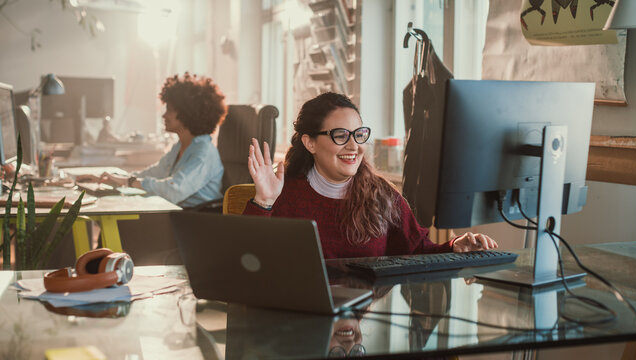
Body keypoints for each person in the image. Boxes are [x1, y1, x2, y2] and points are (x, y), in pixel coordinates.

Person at [244, 92, 498, 258]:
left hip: (366, 321)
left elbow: (418, 251)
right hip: (297, 322)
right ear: (310, 143)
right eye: (341, 136)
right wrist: (264, 201)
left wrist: (455, 246)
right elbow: (248, 261)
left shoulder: (382, 195)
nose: (354, 146)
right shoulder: (284, 194)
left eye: (359, 134)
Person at [78, 72, 227, 208]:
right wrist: (120, 179)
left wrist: (128, 182)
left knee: (120, 222)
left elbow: (174, 190)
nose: (164, 116)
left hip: (194, 222)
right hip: (174, 215)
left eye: (169, 109)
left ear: (187, 113)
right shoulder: (181, 146)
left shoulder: (204, 152)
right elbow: (156, 172)